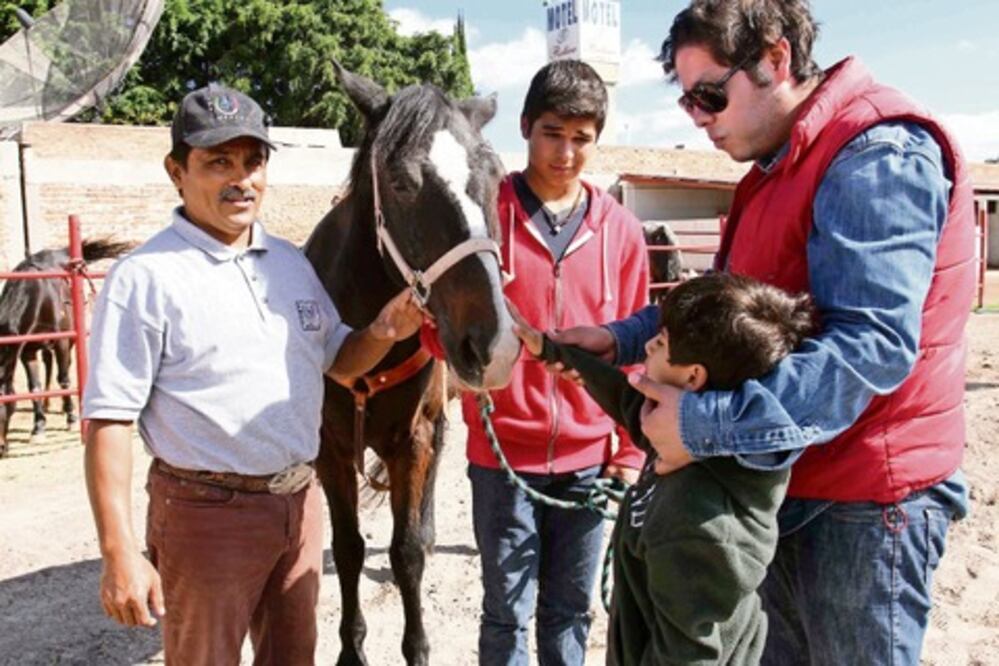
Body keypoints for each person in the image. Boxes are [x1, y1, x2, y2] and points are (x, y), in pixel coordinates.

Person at [554, 1, 974, 664]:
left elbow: (868, 348)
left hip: (862, 505)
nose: (696, 118)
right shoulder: (774, 169)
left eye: (709, 96)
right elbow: (716, 316)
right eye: (688, 101)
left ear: (775, 59)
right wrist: (620, 340)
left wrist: (700, 425)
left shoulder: (876, 152)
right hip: (784, 482)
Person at [82, 83, 422, 665]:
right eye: (218, 162)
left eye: (253, 160)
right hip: (207, 514)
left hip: (297, 506)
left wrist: (383, 333)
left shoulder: (290, 263)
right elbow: (109, 420)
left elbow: (339, 359)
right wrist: (118, 552)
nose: (241, 178)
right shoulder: (145, 279)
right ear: (176, 171)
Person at [514, 273, 816, 665]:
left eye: (661, 341)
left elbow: (689, 654)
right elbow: (629, 403)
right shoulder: (695, 443)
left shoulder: (697, 523)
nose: (648, 345)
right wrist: (556, 352)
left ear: (693, 376)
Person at [460, 60, 650, 665]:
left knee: (571, 611)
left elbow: (638, 345)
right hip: (501, 457)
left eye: (581, 138)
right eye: (552, 132)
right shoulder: (482, 215)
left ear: (597, 138)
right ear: (524, 127)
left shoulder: (620, 229)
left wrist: (627, 451)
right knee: (505, 612)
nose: (565, 151)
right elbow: (448, 325)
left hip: (591, 459)